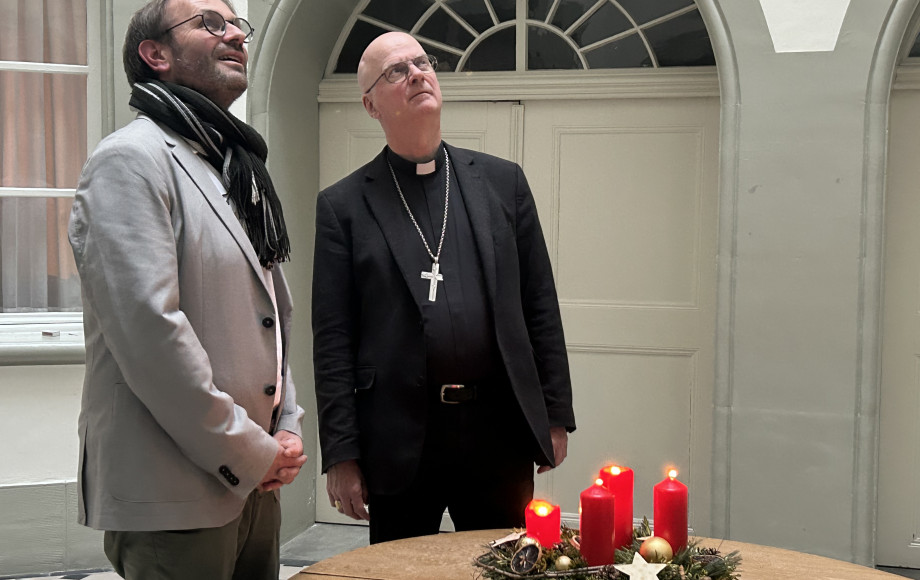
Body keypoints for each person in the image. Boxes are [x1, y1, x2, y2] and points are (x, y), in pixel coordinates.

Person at [68, 0, 306, 578]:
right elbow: (153, 336)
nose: (234, 36)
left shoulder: (230, 165)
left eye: (237, 25)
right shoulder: (129, 161)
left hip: (254, 485)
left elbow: (268, 313)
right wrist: (251, 453)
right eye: (209, 23)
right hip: (173, 492)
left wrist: (288, 425)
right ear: (156, 55)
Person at [313, 31, 576, 544]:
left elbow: (539, 304)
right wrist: (341, 452)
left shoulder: (503, 183)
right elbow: (333, 339)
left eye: (422, 62)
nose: (415, 73)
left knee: (502, 568)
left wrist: (555, 413)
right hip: (398, 437)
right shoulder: (342, 207)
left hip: (496, 431)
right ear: (370, 105)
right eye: (395, 70)